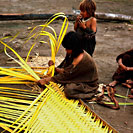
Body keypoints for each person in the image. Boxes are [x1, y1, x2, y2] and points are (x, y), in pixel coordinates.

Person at [37, 31, 99, 100]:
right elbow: (65, 68)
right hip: (74, 76)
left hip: (88, 84)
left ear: (74, 48)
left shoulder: (80, 60)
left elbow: (66, 75)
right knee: (59, 78)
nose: (66, 50)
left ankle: (90, 95)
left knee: (69, 90)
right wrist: (54, 68)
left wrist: (46, 80)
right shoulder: (72, 53)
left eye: (67, 48)